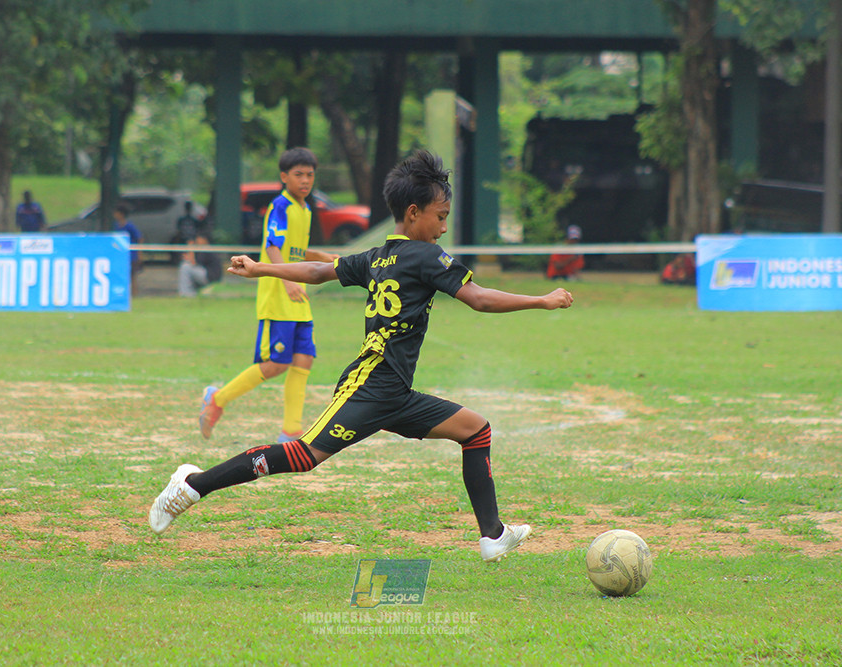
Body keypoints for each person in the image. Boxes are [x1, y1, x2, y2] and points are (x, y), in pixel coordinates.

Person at [151, 150, 574, 562]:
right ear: (413, 213)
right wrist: (542, 299)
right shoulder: (426, 255)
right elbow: (478, 299)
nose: (443, 228)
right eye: (440, 217)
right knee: (302, 457)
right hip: (370, 385)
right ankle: (191, 486)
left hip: (395, 391)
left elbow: (319, 271)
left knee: (476, 431)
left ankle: (493, 535)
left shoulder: (378, 256)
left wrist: (262, 268)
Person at [199, 147, 337, 444]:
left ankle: (291, 432)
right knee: (276, 364)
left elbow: (295, 250)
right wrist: (287, 280)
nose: (305, 180)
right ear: (284, 176)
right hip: (278, 295)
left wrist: (321, 256)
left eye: (310, 175)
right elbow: (273, 246)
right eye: (298, 174)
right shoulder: (280, 206)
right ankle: (217, 399)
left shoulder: (305, 209)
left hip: (297, 296)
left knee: (304, 360)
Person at [112, 202, 143, 295]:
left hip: (131, 255)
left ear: (121, 214)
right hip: (120, 255)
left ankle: (134, 294)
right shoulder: (116, 226)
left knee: (132, 276)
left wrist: (139, 254)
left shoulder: (129, 226)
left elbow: (139, 238)